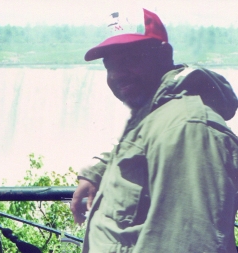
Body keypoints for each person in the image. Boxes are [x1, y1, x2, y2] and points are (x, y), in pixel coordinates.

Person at [71, 8, 238, 253]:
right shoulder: (154, 115)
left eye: (129, 59)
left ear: (163, 55)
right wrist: (100, 171)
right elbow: (146, 150)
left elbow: (192, 244)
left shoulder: (187, 128)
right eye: (110, 65)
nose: (117, 74)